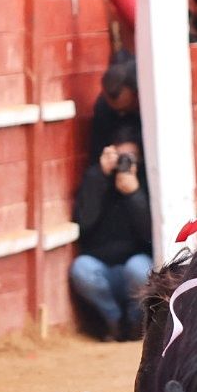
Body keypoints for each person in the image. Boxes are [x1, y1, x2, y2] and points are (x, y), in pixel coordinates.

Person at [71, 123, 151, 342]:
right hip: (103, 268)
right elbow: (84, 223)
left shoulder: (146, 180)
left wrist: (133, 194)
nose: (125, 162)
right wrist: (99, 177)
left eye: (131, 156)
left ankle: (136, 323)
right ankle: (113, 321)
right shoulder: (95, 177)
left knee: (139, 268)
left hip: (134, 268)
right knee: (82, 268)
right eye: (120, 155)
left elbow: (150, 234)